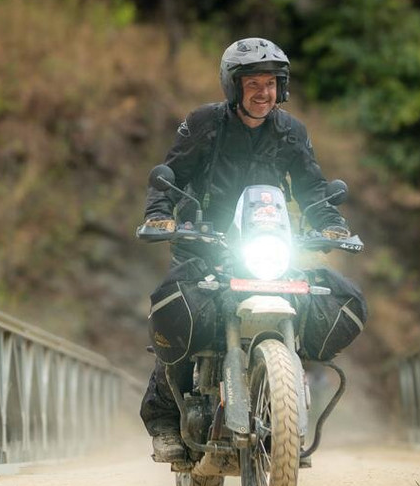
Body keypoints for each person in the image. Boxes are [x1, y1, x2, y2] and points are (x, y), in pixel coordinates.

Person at [139, 37, 365, 462]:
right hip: (205, 242)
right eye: (254, 84)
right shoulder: (205, 123)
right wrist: (159, 216)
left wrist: (332, 224)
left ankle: (281, 414)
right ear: (233, 86)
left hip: (268, 241)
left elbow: (314, 188)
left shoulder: (291, 131)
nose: (264, 93)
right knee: (180, 312)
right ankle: (167, 420)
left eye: (272, 83)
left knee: (334, 297)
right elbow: (171, 173)